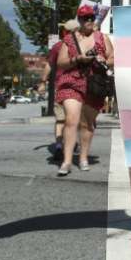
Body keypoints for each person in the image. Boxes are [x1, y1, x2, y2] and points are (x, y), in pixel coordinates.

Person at [55, 5, 114, 176]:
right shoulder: (69, 39)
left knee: (87, 123)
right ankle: (66, 161)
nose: (88, 21)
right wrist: (77, 58)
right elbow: (61, 63)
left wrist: (104, 59)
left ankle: (83, 157)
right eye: (84, 18)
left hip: (94, 84)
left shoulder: (102, 38)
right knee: (71, 120)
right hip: (72, 82)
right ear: (79, 20)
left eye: (91, 18)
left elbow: (113, 58)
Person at [39, 18, 79, 161]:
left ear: (64, 32)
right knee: (73, 119)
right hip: (76, 88)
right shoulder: (82, 45)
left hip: (61, 87)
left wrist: (43, 82)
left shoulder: (58, 46)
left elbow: (49, 65)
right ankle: (68, 143)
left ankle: (58, 146)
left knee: (61, 119)